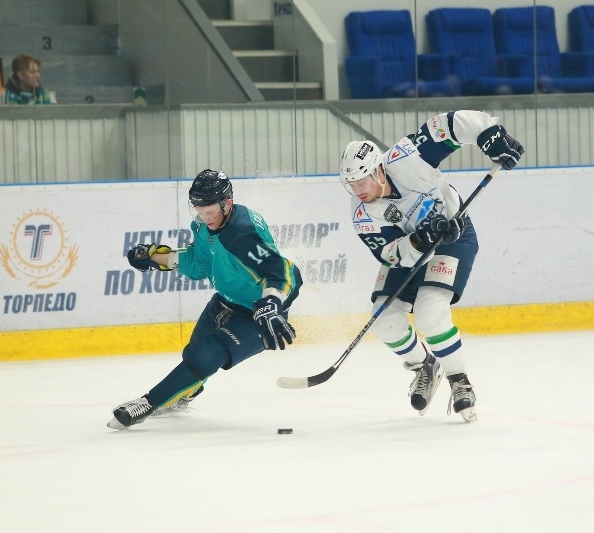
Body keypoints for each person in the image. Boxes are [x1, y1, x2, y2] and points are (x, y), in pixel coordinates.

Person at [339, 110, 524, 423]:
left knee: (429, 311)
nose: (358, 190)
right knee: (384, 320)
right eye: (351, 184)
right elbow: (389, 255)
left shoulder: (406, 158)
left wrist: (490, 135)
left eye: (362, 181)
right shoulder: (362, 214)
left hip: (454, 237)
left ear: (379, 170)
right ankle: (425, 365)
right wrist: (417, 241)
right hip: (410, 249)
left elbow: (451, 125)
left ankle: (459, 379)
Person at [108, 170, 302, 429]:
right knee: (194, 355)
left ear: (228, 203)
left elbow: (284, 272)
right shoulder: (202, 224)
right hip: (224, 302)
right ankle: (185, 394)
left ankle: (147, 403)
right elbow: (200, 264)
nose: (205, 217)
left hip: (257, 314)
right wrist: (157, 258)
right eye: (200, 210)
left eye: (210, 211)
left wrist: (272, 303)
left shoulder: (241, 233)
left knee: (210, 354)